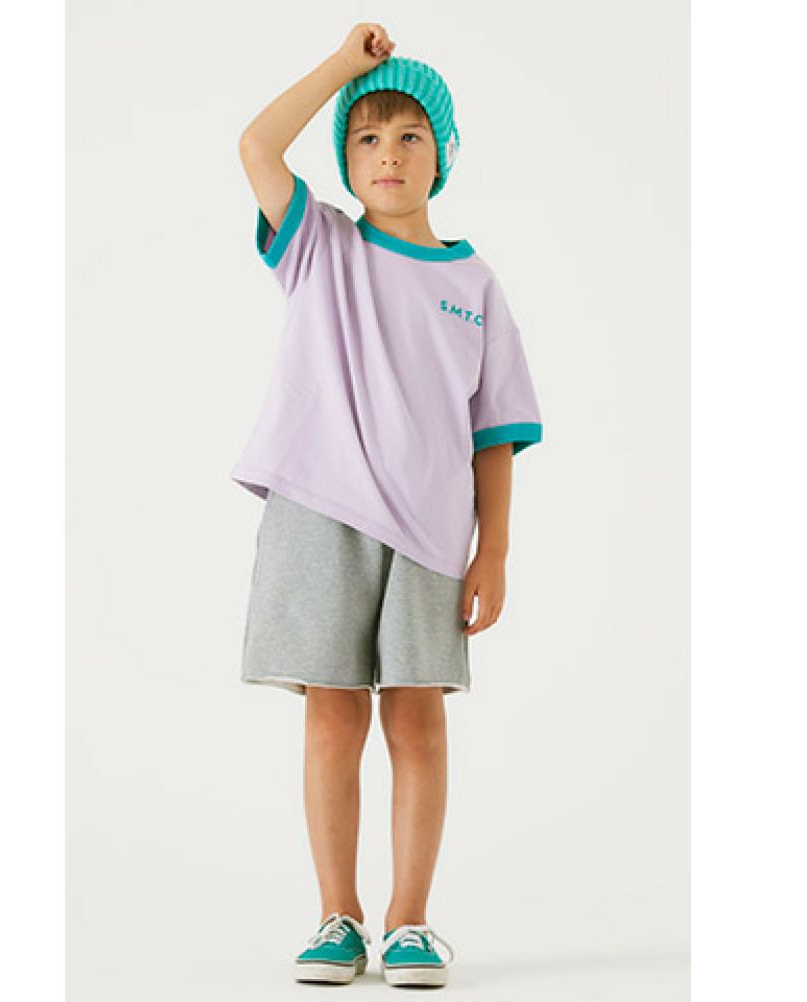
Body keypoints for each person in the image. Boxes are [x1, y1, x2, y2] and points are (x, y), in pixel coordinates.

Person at [233, 22, 543, 989]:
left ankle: (410, 923)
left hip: (431, 535)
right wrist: (343, 69)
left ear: (442, 153)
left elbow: (495, 434)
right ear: (346, 158)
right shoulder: (319, 246)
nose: (389, 155)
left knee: (416, 722)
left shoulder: (475, 285)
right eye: (367, 137)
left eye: (411, 135)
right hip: (319, 513)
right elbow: (256, 145)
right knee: (333, 720)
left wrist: (494, 552)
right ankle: (338, 916)